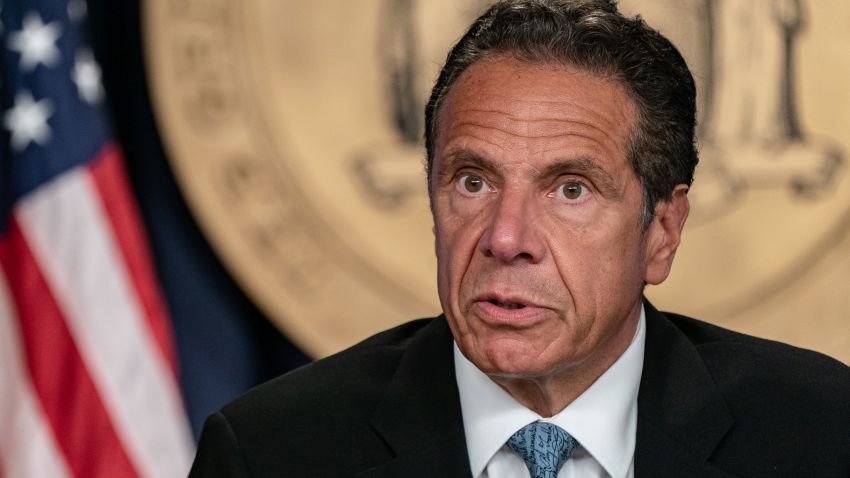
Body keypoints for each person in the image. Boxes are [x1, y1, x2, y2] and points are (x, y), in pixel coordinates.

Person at [189, 1, 850, 476]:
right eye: (472, 182)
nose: (506, 238)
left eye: (570, 189)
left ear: (663, 233)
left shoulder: (821, 437)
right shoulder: (271, 453)